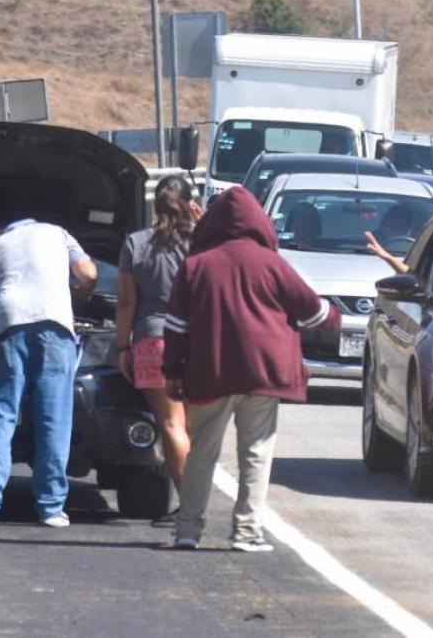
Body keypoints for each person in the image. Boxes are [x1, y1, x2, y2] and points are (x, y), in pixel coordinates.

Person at [163, 187, 341, 552]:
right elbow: (315, 313)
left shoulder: (196, 265)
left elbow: (176, 327)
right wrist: (336, 318)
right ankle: (246, 533)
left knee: (202, 453)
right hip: (264, 372)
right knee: (256, 451)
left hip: (209, 372)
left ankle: (188, 530)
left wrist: (173, 372)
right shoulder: (272, 263)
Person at [0, 218, 98, 529]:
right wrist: (79, 297)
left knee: (0, 416)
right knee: (54, 418)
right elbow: (88, 273)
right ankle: (51, 508)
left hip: (10, 323)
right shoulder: (58, 233)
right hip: (55, 325)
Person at [116, 176, 202, 524]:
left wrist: (123, 346)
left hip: (153, 339)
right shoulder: (203, 243)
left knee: (170, 424)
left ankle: (190, 506)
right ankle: (196, 500)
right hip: (199, 340)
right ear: (190, 202)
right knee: (195, 427)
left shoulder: (135, 244)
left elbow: (126, 301)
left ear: (155, 206)